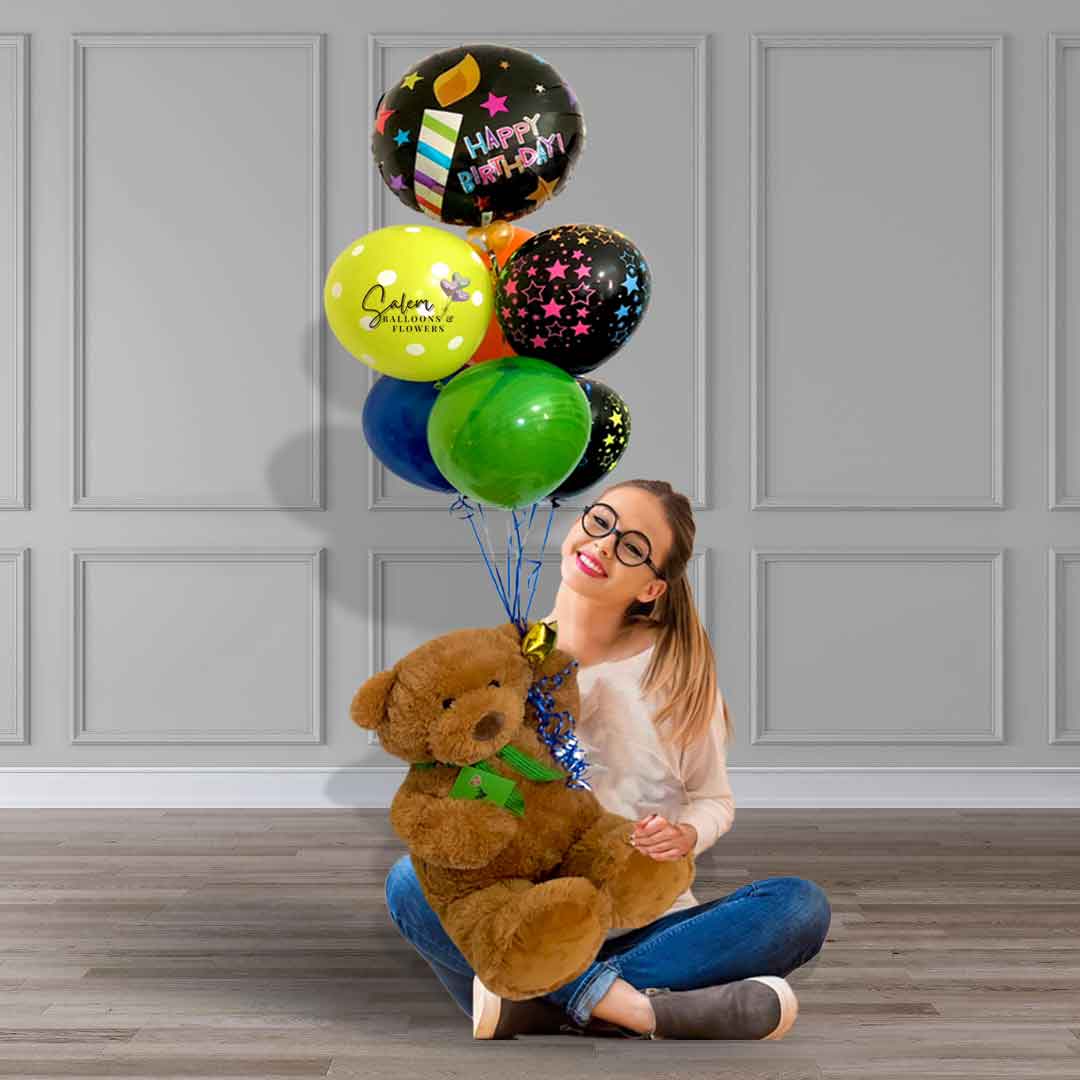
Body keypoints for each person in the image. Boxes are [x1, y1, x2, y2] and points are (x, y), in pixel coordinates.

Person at [385, 479, 831, 1040]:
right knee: (409, 881)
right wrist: (493, 797)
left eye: (632, 547)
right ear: (578, 523)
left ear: (651, 587)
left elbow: (712, 798)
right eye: (601, 522)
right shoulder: (505, 663)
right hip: (526, 916)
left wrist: (686, 835)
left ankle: (546, 1006)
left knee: (799, 907)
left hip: (645, 920)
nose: (603, 545)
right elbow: (462, 781)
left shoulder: (675, 674)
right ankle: (636, 1009)